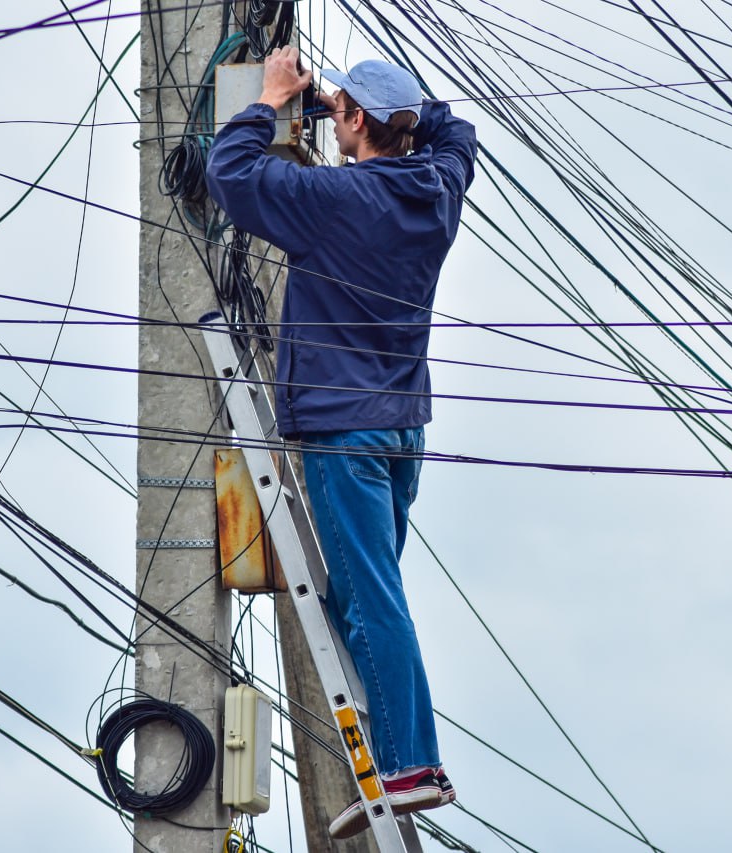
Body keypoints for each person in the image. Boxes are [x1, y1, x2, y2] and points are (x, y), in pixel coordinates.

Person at [206, 47, 477, 839]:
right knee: (359, 599)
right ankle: (387, 756)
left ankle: (410, 767)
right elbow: (455, 130)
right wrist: (355, 107)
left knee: (372, 599)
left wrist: (271, 101)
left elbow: (232, 174)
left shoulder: (333, 198)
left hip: (343, 428)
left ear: (352, 121)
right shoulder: (438, 189)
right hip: (401, 429)